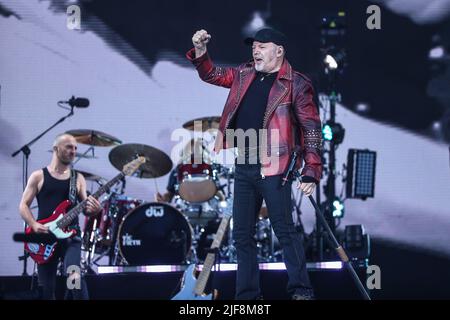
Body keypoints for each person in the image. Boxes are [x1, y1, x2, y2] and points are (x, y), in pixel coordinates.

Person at [187, 28, 322, 300]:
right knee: (242, 236)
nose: (255, 50)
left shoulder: (295, 83)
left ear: (279, 50)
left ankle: (301, 291)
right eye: (254, 46)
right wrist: (201, 53)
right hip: (245, 163)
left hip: (275, 164)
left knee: (283, 230)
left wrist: (311, 170)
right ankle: (248, 296)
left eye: (262, 46)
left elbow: (311, 129)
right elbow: (212, 74)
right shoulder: (244, 74)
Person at [19, 133, 102, 300]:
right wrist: (34, 225)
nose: (73, 151)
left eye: (75, 148)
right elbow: (23, 206)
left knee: (74, 277)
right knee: (47, 290)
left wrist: (94, 210)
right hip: (45, 238)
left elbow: (85, 208)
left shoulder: (77, 178)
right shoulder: (38, 176)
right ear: (56, 149)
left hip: (71, 237)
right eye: (69, 147)